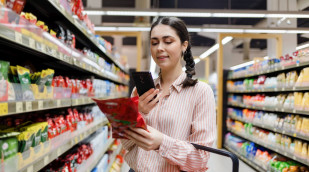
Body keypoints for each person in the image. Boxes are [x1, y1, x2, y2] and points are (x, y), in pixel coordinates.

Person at [121, 17, 216, 172]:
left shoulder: (201, 93)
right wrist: (138, 113)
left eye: (168, 41)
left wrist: (161, 143)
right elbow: (126, 144)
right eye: (154, 42)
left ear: (184, 46)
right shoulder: (140, 90)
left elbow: (200, 159)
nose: (159, 48)